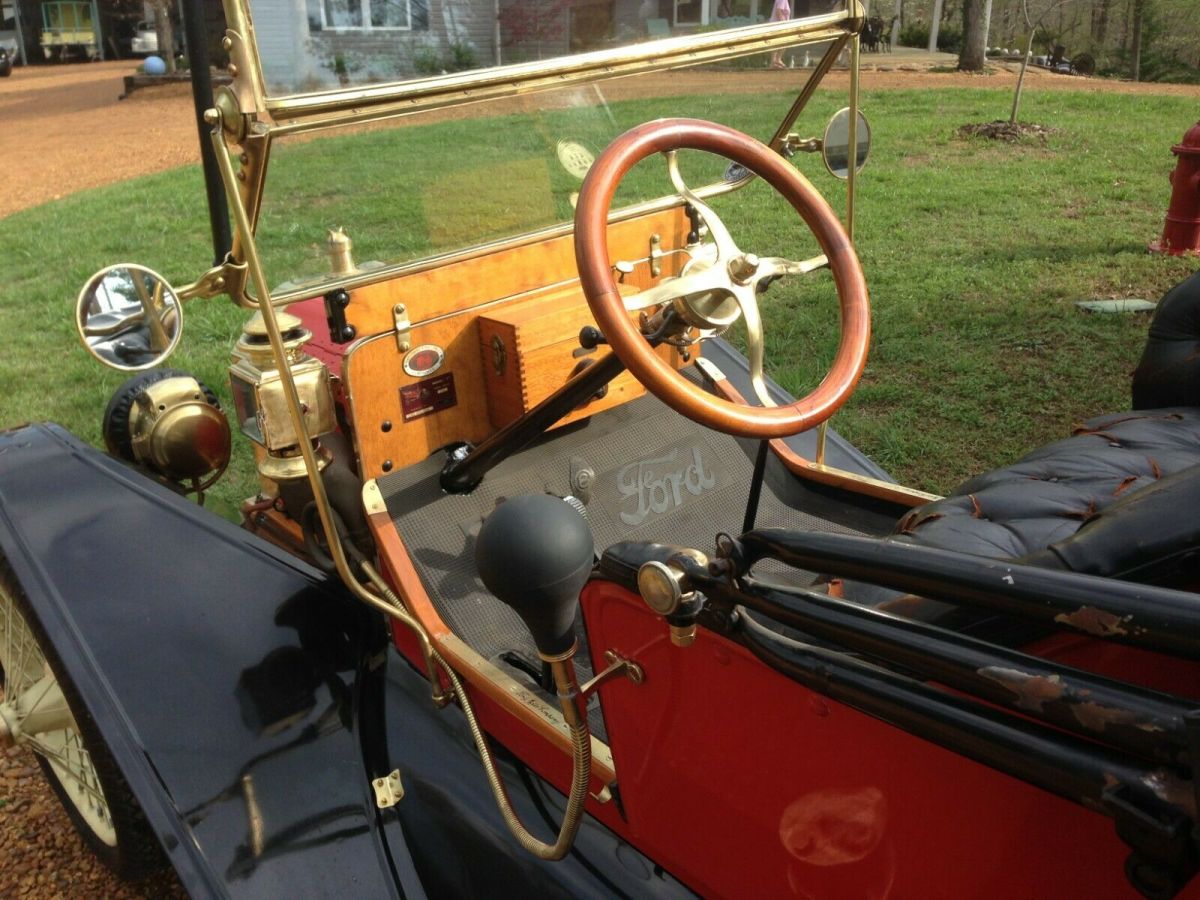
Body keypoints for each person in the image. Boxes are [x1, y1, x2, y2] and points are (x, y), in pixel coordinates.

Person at [769, 0, 792, 68]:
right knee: (783, 41)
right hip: (778, 25)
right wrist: (783, 24)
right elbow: (778, 11)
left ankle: (775, 61)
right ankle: (776, 60)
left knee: (779, 42)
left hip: (776, 24)